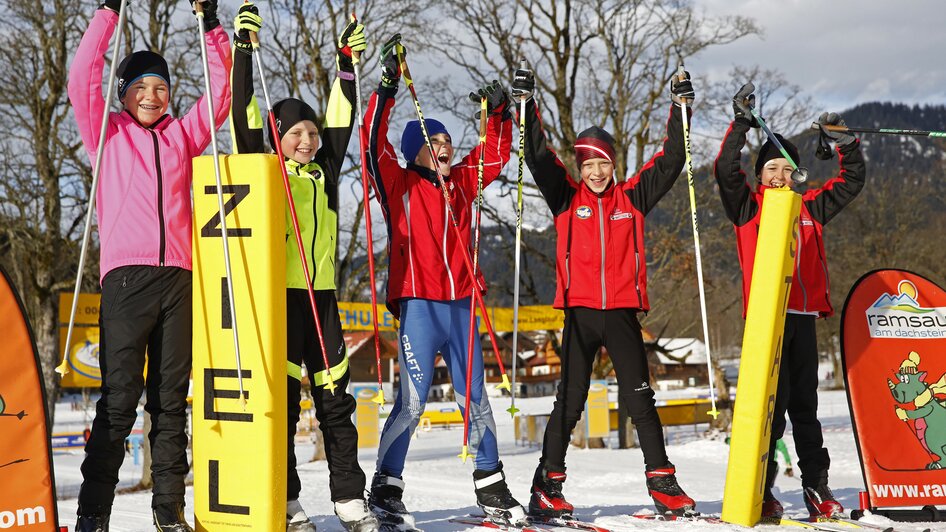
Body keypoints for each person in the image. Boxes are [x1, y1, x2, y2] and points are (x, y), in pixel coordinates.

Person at [68, 0, 230, 530]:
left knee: (169, 406)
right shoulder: (107, 133)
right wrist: (108, 12)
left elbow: (221, 93)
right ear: (124, 94)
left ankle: (169, 513)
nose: (152, 95)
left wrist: (210, 26)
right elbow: (82, 74)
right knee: (118, 402)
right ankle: (94, 513)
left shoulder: (182, 136)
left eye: (160, 87)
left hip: (179, 280)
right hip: (127, 278)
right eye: (140, 86)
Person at [515, 66, 697, 518]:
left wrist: (679, 108)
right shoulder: (565, 197)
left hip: (620, 313)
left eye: (603, 163)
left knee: (639, 398)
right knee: (570, 400)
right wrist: (526, 103)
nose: (595, 172)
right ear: (580, 168)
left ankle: (663, 483)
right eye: (588, 164)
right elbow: (538, 156)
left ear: (613, 165)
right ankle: (547, 486)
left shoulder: (632, 198)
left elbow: (671, 159)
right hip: (578, 314)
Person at [361, 34, 526, 528]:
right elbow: (373, 140)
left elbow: (496, 153)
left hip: (461, 305)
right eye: (433, 144)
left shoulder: (461, 183)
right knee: (411, 402)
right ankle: (387, 485)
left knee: (475, 397)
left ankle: (491, 482)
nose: (445, 148)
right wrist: (388, 86)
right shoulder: (399, 182)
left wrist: (498, 113)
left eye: (448, 142)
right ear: (415, 153)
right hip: (419, 305)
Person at [228, 4, 379, 531]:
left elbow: (343, 113)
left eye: (311, 133)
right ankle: (289, 502)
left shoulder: (326, 170)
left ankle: (348, 499)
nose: (307, 140)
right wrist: (243, 51)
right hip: (280, 302)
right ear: (279, 136)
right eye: (295, 133)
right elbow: (243, 111)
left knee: (337, 400)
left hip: (325, 298)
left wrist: (345, 62)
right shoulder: (264, 168)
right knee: (286, 408)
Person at [712, 82, 866, 518]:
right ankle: (758, 491)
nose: (779, 176)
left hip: (802, 319)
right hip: (767, 323)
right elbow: (725, 170)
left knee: (806, 412)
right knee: (769, 413)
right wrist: (742, 124)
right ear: (760, 176)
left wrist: (847, 143)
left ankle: (817, 490)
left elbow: (852, 180)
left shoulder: (810, 208)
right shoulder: (748, 210)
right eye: (771, 169)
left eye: (787, 170)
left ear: (798, 176)